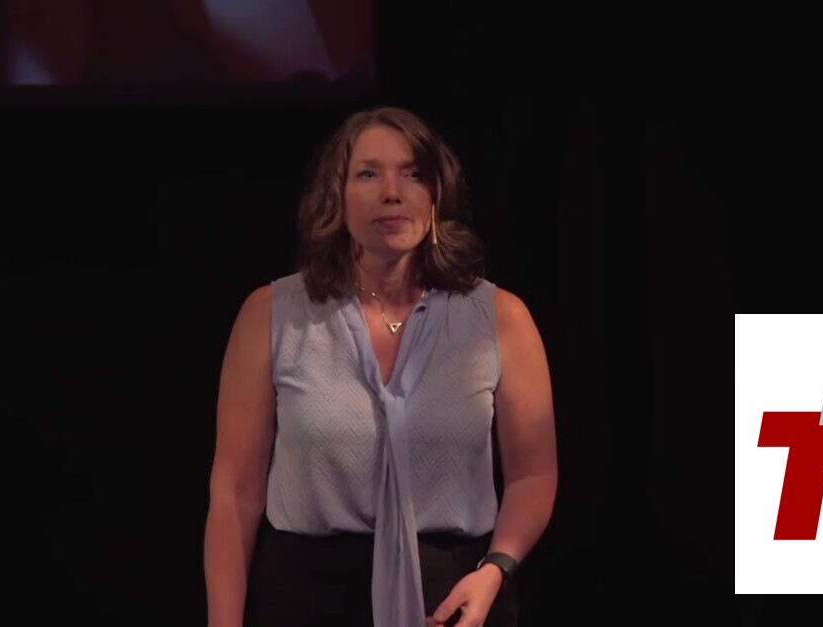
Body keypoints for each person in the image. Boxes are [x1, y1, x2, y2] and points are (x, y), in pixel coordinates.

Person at [203, 105, 558, 627]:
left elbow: (533, 474)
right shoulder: (273, 315)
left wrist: (496, 569)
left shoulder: (500, 318)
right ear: (337, 197)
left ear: (435, 194)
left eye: (412, 174)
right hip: (307, 597)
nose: (393, 192)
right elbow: (235, 492)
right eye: (369, 174)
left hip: (456, 601)